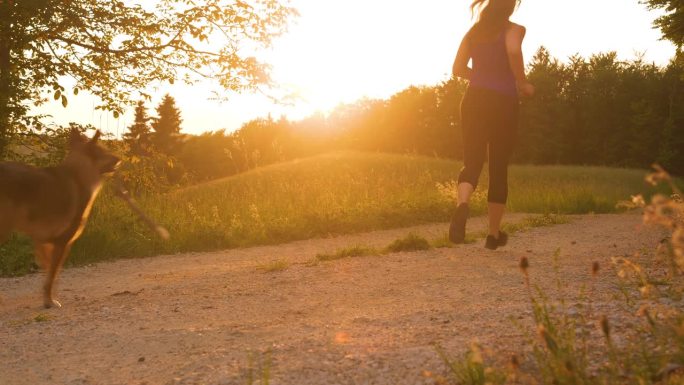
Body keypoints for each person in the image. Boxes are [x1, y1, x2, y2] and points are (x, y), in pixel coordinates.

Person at [449, 0, 534, 250]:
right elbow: (513, 51)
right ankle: (493, 234)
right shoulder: (515, 30)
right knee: (498, 166)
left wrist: (481, 76)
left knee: (472, 161)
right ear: (511, 7)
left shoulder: (473, 32)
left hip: (473, 100)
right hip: (503, 103)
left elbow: (457, 69)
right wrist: (522, 83)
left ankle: (462, 204)